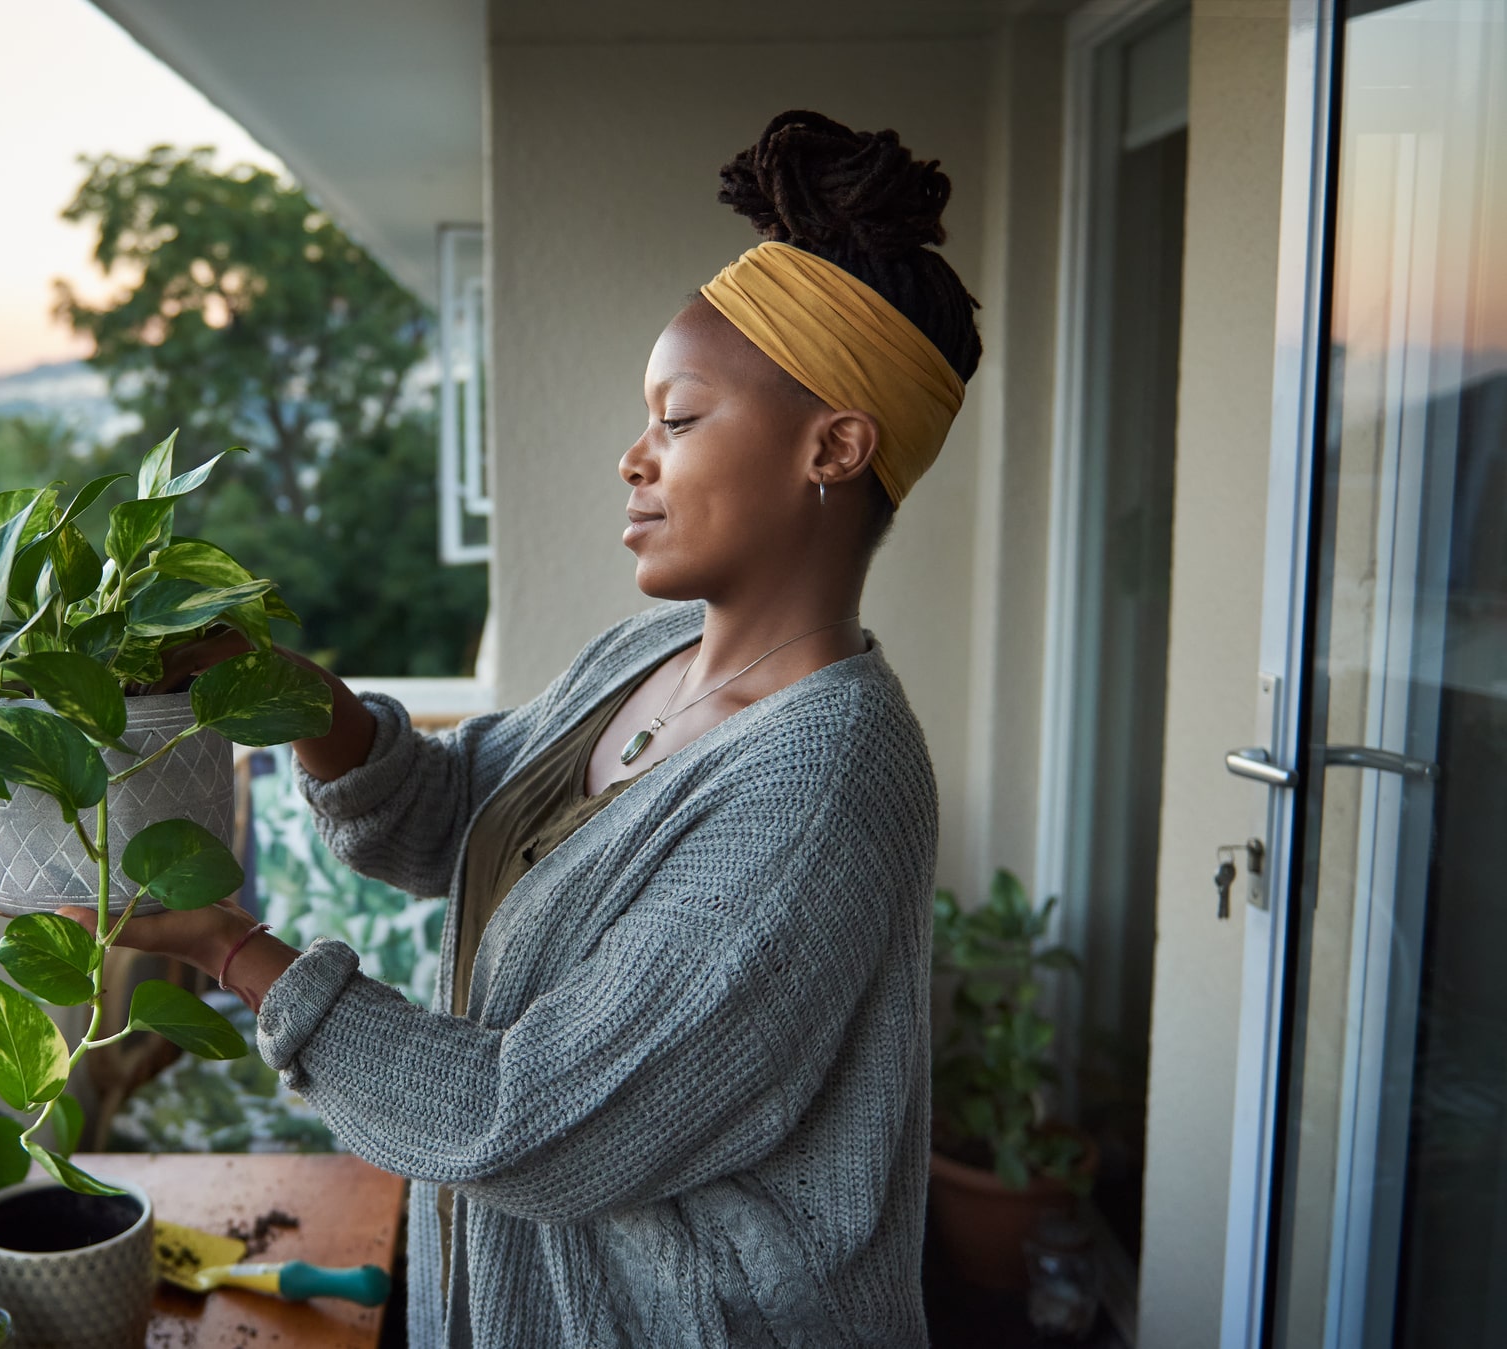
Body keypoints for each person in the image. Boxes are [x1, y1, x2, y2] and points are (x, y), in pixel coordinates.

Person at [73, 109, 981, 1347]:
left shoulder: (822, 787)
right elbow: (451, 819)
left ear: (833, 445)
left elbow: (524, 1119)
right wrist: (281, 685)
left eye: (677, 418)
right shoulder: (650, 653)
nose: (632, 458)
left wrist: (231, 950)